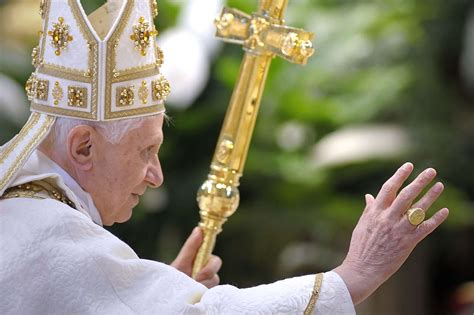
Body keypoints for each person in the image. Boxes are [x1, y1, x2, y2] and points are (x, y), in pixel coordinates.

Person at [0, 0, 449, 314]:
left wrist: (156, 294)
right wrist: (353, 277)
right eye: (146, 150)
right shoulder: (49, 237)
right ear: (83, 146)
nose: (156, 175)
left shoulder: (28, 219)